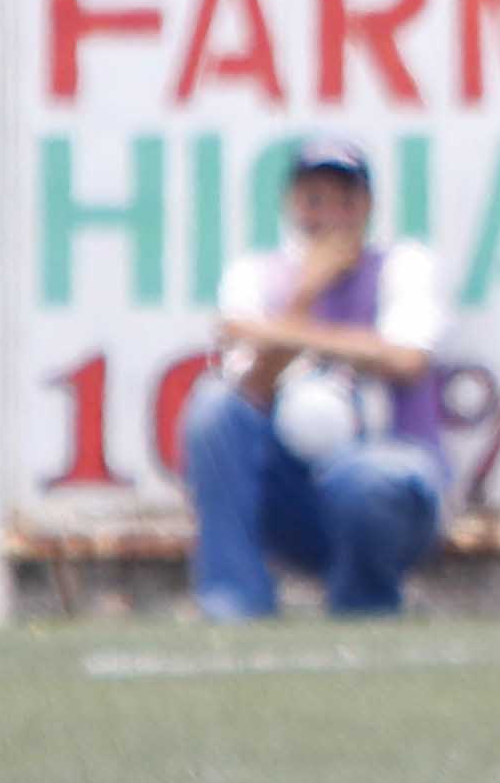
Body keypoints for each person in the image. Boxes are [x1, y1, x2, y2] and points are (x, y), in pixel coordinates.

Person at [180, 131, 452, 623]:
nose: (328, 216)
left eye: (343, 200)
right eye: (313, 200)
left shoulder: (403, 266)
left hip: (385, 483)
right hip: (293, 492)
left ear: (367, 206)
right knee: (213, 408)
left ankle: (365, 605)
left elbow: (405, 360)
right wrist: (304, 294)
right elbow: (251, 389)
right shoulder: (256, 275)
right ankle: (233, 601)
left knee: (367, 480)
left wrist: (278, 332)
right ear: (291, 204)